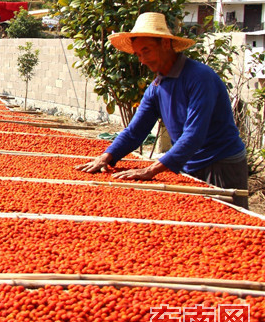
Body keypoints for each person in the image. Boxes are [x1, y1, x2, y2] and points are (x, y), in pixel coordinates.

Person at [75, 12, 248, 204]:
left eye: (146, 51)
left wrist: (150, 170)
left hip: (219, 162)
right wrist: (107, 157)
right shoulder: (157, 87)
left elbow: (194, 135)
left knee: (227, 221)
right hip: (187, 162)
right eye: (138, 54)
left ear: (166, 44)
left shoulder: (199, 78)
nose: (142, 60)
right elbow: (135, 131)